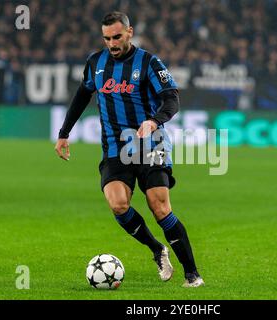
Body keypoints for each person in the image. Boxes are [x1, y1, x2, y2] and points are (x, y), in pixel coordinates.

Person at [55, 12, 204, 287]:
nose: (112, 43)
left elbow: (172, 99)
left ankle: (192, 274)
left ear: (130, 32)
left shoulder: (149, 62)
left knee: (159, 207)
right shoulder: (95, 62)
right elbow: (81, 95)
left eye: (117, 37)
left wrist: (153, 120)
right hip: (115, 147)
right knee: (118, 205)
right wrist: (64, 133)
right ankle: (157, 250)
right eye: (107, 38)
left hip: (151, 143)